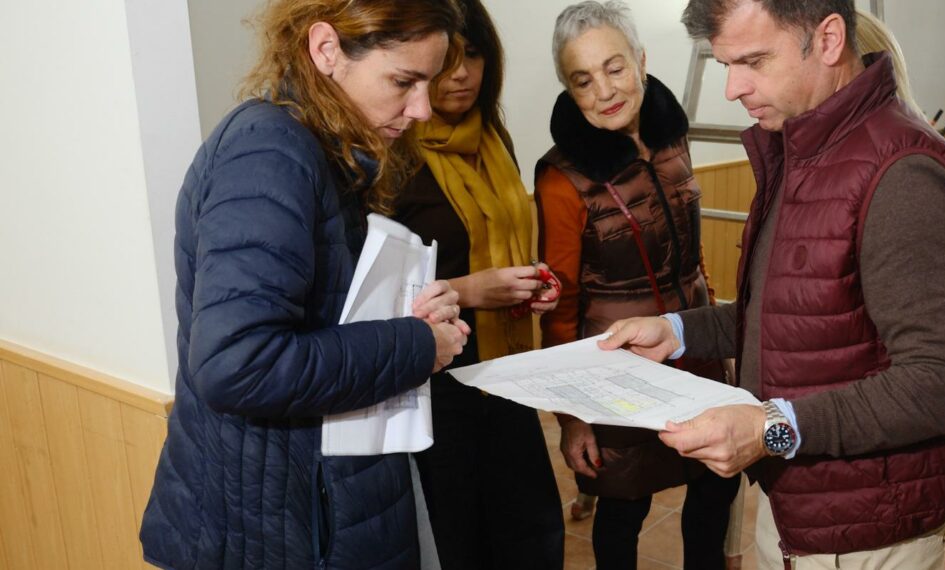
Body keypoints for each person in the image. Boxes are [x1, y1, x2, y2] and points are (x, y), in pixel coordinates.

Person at [599, 0, 945, 568]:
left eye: (755, 60)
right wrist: (676, 332)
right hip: (805, 504)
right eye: (725, 66)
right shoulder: (802, 147)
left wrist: (772, 429)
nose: (733, 89)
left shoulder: (902, 176)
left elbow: (943, 385)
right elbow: (792, 313)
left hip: (870, 527)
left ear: (829, 40)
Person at [138, 1, 471, 568]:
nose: (422, 109)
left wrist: (411, 309)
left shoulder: (322, 146)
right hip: (272, 521)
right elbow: (239, 363)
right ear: (326, 50)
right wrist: (416, 344)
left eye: (429, 83)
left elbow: (321, 313)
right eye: (403, 81)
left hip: (306, 497)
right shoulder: (267, 154)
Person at [534, 2, 740, 569]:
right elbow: (560, 306)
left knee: (716, 485)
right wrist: (572, 415)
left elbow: (691, 253)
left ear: (641, 62)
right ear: (569, 91)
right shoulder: (561, 176)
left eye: (614, 67)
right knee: (624, 507)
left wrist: (714, 323)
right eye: (583, 79)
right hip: (617, 370)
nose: (604, 90)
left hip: (694, 345)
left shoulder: (673, 138)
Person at [390, 0, 564, 567]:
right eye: (447, 60)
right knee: (459, 541)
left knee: (531, 535)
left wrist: (533, 282)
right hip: (435, 385)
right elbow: (373, 294)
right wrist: (469, 290)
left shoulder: (494, 139)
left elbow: (513, 237)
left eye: (475, 55)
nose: (462, 73)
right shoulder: (393, 154)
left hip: (506, 374)